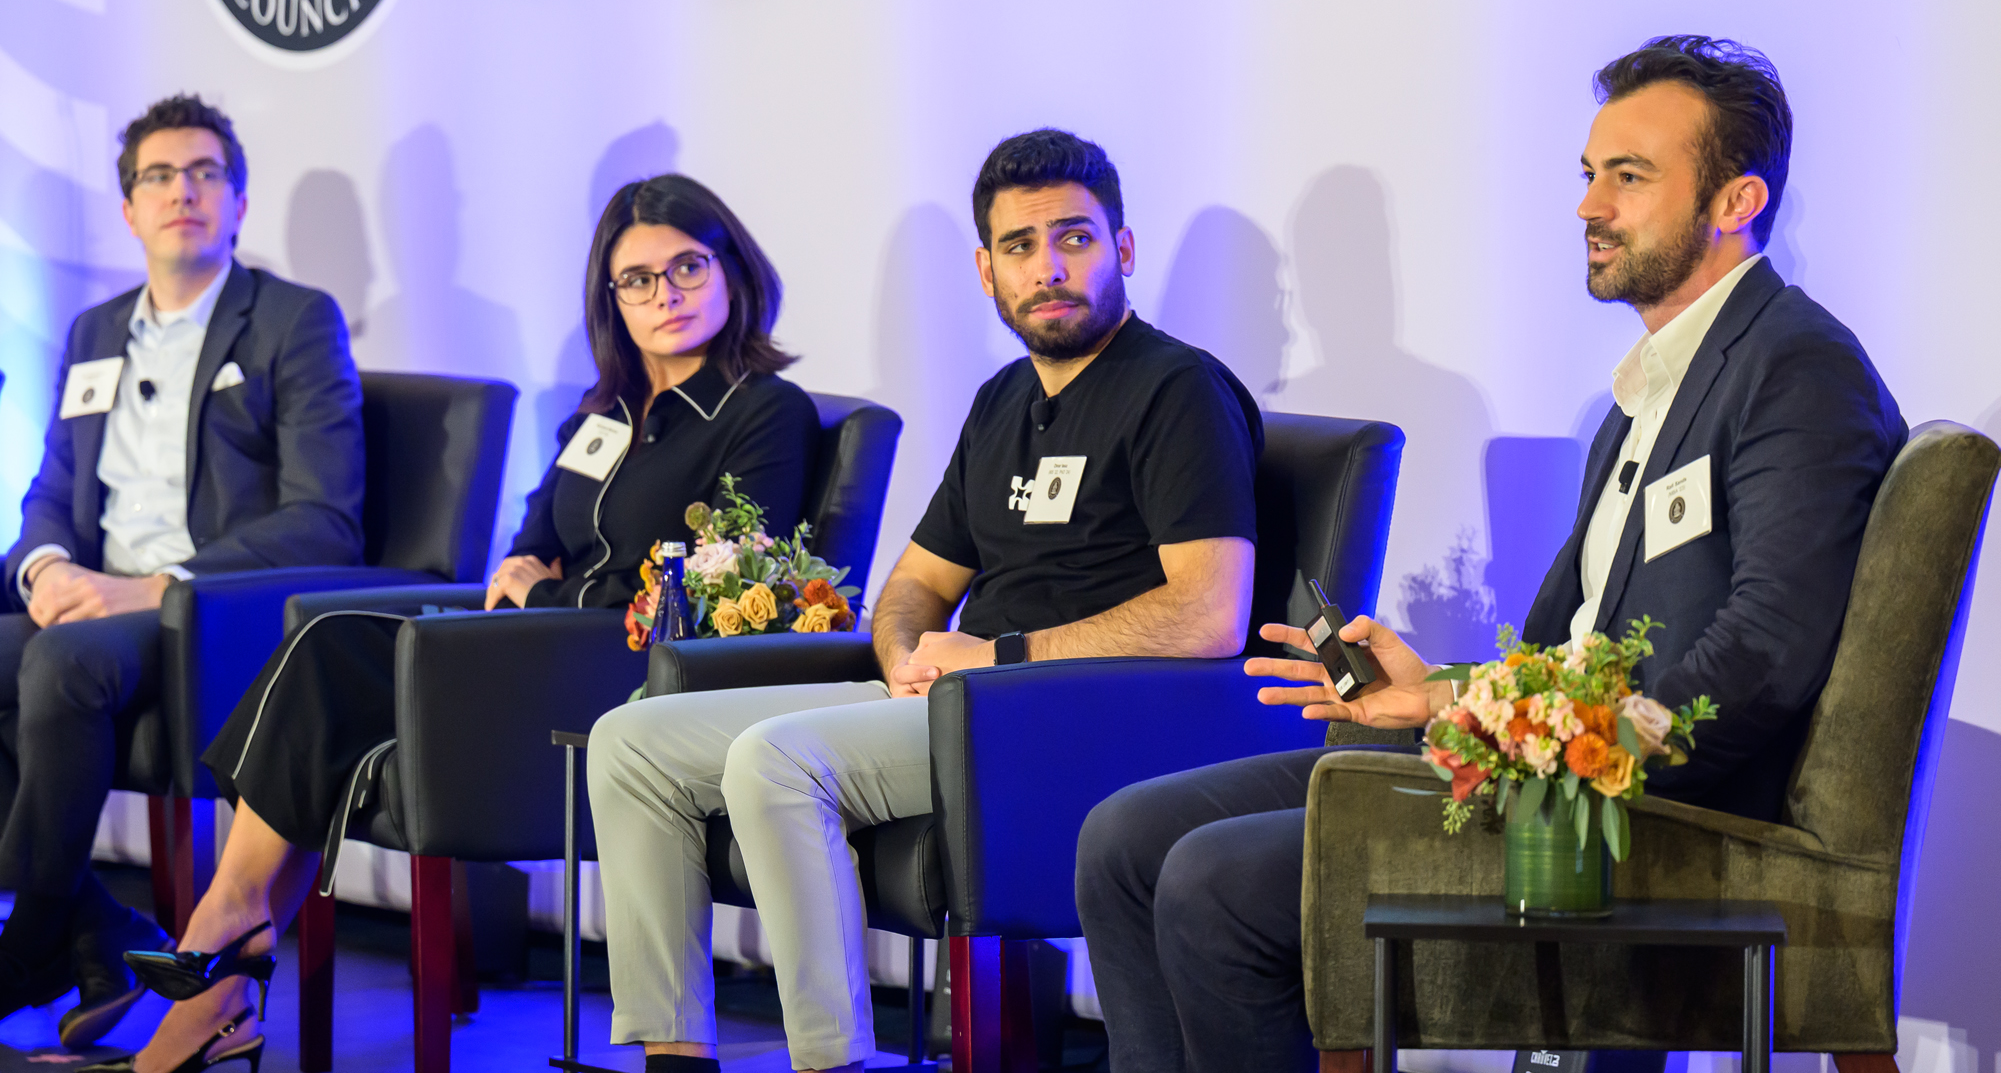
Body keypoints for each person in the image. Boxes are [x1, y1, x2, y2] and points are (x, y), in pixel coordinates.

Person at [1074, 37, 1908, 1073]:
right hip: (1562, 769)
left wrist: (1567, 750)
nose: (1588, 205)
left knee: (1211, 880)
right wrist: (1441, 693)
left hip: (1655, 814)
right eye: (1588, 173)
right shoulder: (1646, 394)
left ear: (1735, 201)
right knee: (1123, 840)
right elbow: (1577, 652)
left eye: (1628, 176)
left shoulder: (1796, 368)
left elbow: (1765, 652)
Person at [106, 174, 819, 1073]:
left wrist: (546, 596)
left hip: (629, 683)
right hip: (535, 654)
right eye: (637, 280)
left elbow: (699, 590)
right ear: (611, 298)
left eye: (687, 268)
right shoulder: (599, 416)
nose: (665, 295)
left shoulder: (765, 412)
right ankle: (222, 964)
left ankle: (220, 944)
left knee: (334, 654)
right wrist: (541, 588)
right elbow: (524, 551)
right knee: (329, 645)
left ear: (731, 271)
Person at [585, 128, 1263, 1073]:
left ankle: (831, 1061)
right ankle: (675, 1057)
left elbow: (1208, 615)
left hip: (1074, 716)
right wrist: (906, 654)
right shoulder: (1002, 402)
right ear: (988, 272)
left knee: (777, 760)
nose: (1049, 268)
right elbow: (914, 585)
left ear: (1123, 249)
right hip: (960, 702)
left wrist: (999, 658)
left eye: (1074, 239)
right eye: (1020, 247)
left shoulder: (1177, 390)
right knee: (631, 741)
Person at [0, 96, 364, 1051]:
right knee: (36, 645)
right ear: (130, 209)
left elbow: (325, 519)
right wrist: (44, 567)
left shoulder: (292, 321)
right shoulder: (94, 332)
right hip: (92, 597)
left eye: (206, 174)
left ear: (238, 202)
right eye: (159, 176)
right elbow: (51, 490)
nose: (183, 192)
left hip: (206, 615)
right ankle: (93, 924)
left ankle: (31, 937)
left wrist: (160, 586)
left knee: (59, 665)